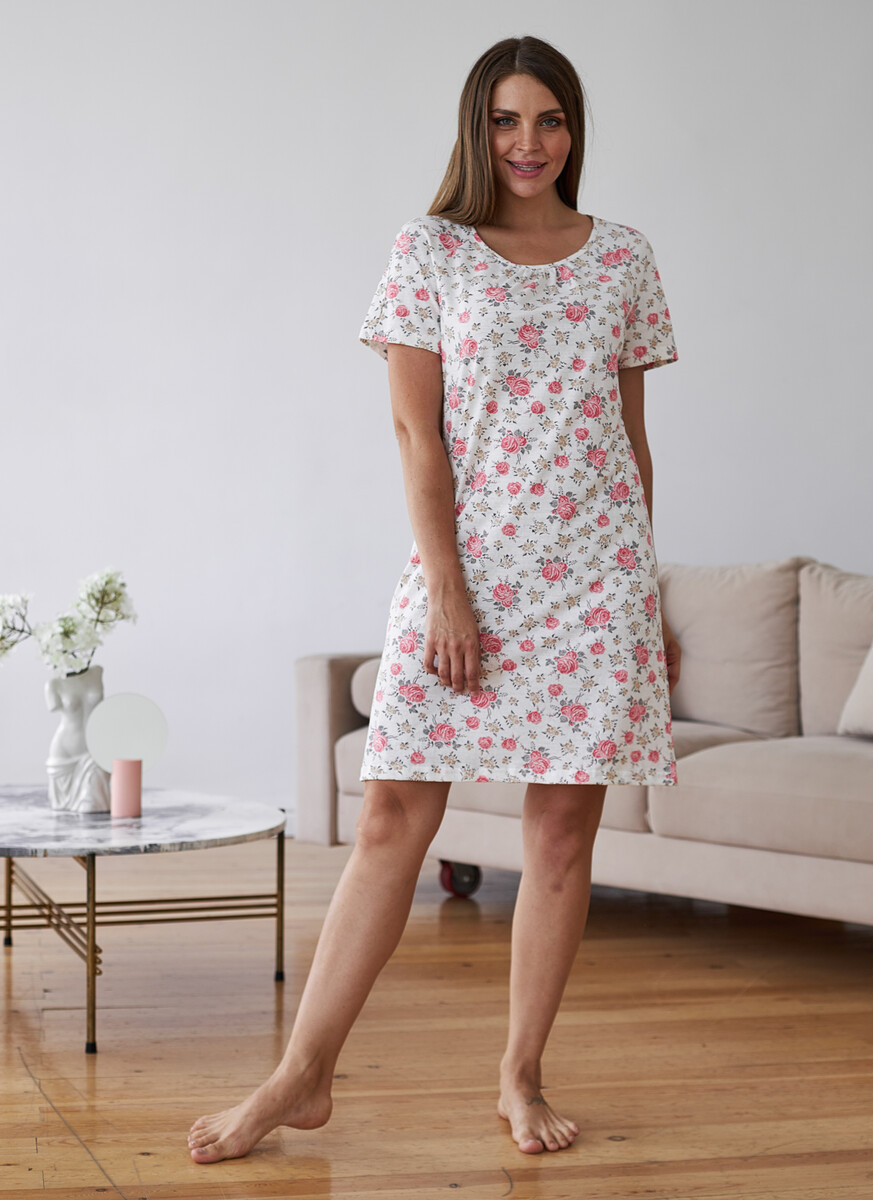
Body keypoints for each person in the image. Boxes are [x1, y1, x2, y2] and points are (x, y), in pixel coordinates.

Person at [187, 33, 682, 1163]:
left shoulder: (625, 258)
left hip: (596, 583)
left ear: (574, 129)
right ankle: (301, 1076)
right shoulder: (431, 250)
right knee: (390, 819)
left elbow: (631, 446)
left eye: (548, 119)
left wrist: (640, 596)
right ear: (477, 128)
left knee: (560, 835)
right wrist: (448, 590)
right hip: (468, 574)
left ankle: (520, 1076)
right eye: (506, 121)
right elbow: (419, 439)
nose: (528, 143)